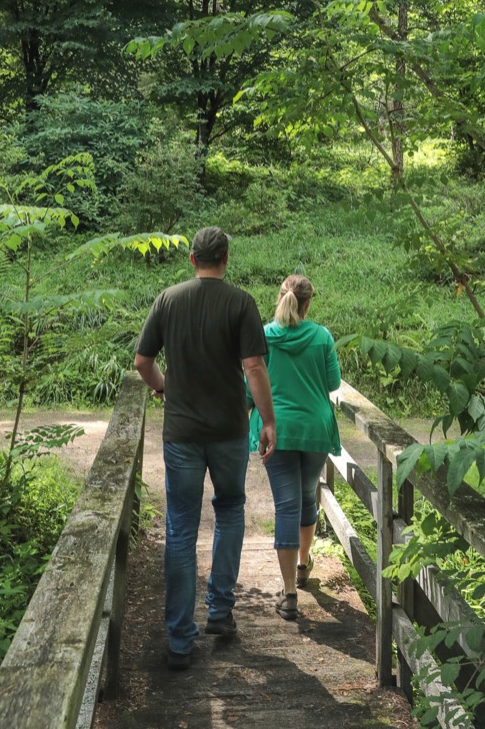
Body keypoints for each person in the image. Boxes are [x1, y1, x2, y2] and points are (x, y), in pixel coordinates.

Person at [134, 227, 276, 671]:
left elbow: (142, 361)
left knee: (180, 528)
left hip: (182, 433)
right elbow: (253, 365)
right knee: (231, 509)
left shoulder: (168, 299)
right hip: (230, 430)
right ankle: (219, 611)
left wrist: (163, 390)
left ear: (192, 259)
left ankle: (179, 641)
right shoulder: (241, 303)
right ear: (225, 259)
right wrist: (268, 421)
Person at [250, 274, 341, 622]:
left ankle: (289, 594)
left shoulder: (263, 337)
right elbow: (332, 382)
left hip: (278, 431)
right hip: (315, 430)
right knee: (306, 495)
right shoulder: (321, 337)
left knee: (286, 505)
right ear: (308, 303)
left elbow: (251, 379)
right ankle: (304, 564)